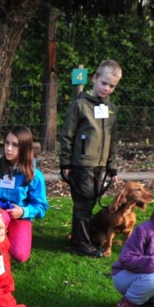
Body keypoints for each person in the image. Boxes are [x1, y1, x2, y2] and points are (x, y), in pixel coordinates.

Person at [60, 59, 123, 257]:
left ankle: (83, 238)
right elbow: (67, 135)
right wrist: (66, 162)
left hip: (101, 165)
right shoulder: (79, 105)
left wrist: (111, 166)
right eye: (104, 83)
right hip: (81, 164)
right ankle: (80, 243)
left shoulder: (111, 109)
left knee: (91, 201)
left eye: (112, 86)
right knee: (83, 203)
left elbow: (113, 139)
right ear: (95, 78)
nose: (107, 88)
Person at [0, 126, 48, 262]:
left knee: (20, 255)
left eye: (15, 145)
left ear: (25, 148)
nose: (8, 148)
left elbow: (41, 207)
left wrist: (23, 212)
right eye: (7, 143)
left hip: (19, 217)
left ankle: (6, 238)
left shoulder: (35, 176)